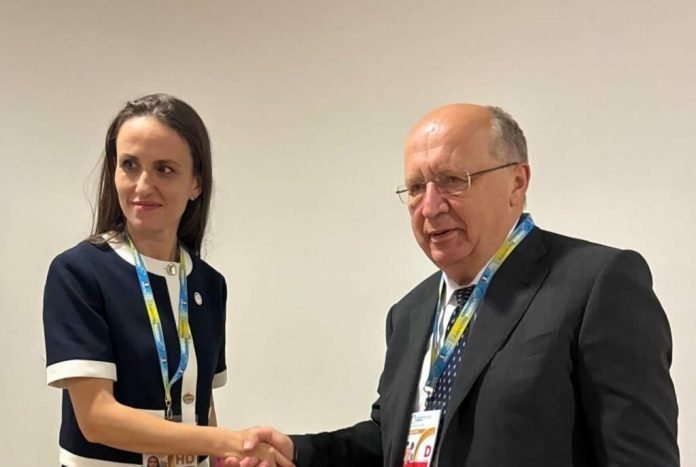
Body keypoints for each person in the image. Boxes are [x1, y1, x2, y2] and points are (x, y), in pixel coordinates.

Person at [238, 104, 679, 466]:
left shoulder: (597, 284)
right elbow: (396, 440)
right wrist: (298, 452)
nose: (430, 207)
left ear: (517, 182)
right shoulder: (408, 314)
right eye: (415, 187)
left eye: (453, 180)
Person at [43, 94, 292, 467]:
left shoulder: (208, 284)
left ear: (196, 184)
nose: (143, 185)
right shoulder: (79, 273)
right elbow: (96, 418)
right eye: (130, 165)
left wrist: (227, 458)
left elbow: (200, 406)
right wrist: (230, 442)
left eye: (164, 169)